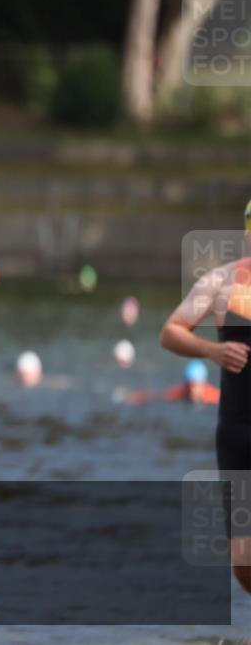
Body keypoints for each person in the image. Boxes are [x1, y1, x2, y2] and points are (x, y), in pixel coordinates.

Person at [160, 200, 251, 595]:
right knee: (244, 562)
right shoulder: (222, 282)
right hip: (237, 432)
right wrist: (212, 351)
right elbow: (171, 331)